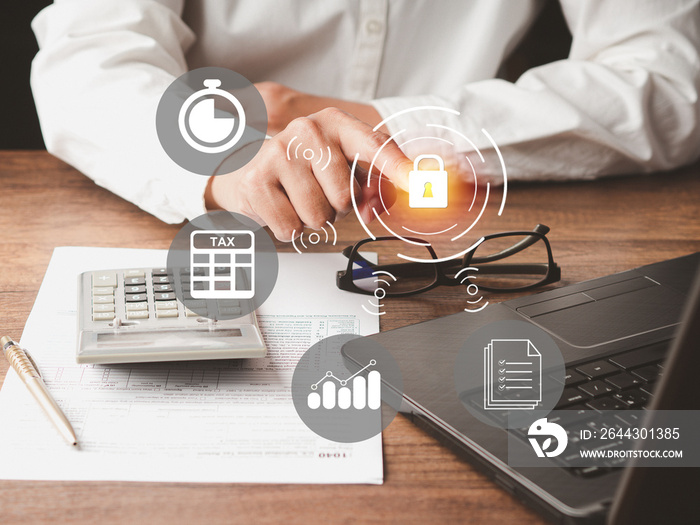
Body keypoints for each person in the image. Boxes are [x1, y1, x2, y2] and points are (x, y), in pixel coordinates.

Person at [31, 1, 700, 241]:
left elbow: (670, 81)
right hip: (224, 225)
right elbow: (85, 64)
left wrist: (384, 124)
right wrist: (225, 157)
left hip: (455, 234)